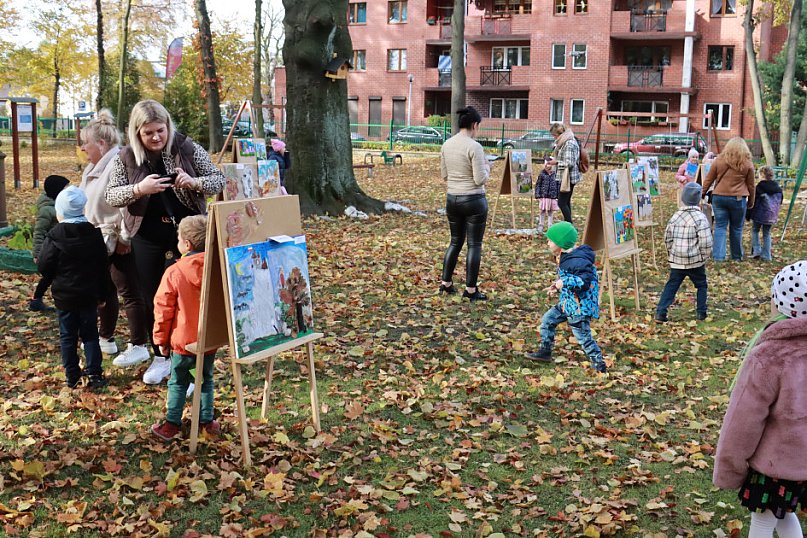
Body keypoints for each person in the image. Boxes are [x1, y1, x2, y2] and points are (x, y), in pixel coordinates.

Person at [105, 99, 225, 385]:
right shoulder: (125, 157)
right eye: (149, 133)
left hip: (186, 233)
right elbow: (111, 196)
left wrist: (193, 182)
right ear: (137, 133)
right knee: (152, 297)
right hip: (146, 234)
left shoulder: (185, 147)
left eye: (160, 130)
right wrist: (138, 189)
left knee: (188, 295)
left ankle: (192, 361)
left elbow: (218, 180)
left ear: (168, 127)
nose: (156, 137)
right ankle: (161, 356)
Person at [713, 261, 807, 538]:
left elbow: (742, 422)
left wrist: (730, 468)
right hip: (802, 464)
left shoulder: (769, 358)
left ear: (780, 304)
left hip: (774, 466)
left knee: (763, 521)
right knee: (783, 514)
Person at [79, 109, 151, 366]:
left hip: (118, 238)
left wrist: (124, 238)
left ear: (100, 143)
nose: (82, 147)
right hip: (98, 240)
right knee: (104, 289)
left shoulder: (119, 161)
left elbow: (129, 203)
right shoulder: (91, 167)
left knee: (129, 290)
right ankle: (106, 337)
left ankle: (139, 343)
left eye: (85, 142)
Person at [151, 215, 219, 441]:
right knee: (205, 379)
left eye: (179, 238)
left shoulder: (175, 272)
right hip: (210, 338)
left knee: (178, 381)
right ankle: (206, 421)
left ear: (187, 244)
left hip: (183, 342)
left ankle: (172, 423)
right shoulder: (217, 269)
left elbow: (163, 309)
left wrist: (160, 340)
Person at [37, 186, 110, 390]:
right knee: (90, 334)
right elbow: (103, 267)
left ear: (60, 211)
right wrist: (102, 294)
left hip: (65, 295)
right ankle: (94, 373)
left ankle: (72, 375)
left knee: (67, 335)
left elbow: (44, 265)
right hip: (88, 294)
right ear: (83, 209)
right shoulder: (94, 235)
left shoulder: (54, 236)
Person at [524, 222, 606, 373]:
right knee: (548, 320)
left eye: (550, 240)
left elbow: (584, 282)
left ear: (560, 243)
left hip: (579, 307)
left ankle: (599, 364)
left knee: (583, 337)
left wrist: (563, 282)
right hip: (567, 303)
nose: (547, 242)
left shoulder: (578, 261)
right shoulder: (566, 257)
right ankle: (545, 351)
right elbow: (567, 279)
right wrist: (556, 286)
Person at [439, 106, 490, 301]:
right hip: (474, 200)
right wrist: (487, 168)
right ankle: (470, 289)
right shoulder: (474, 146)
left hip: (452, 198)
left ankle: (446, 283)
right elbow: (480, 179)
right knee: (474, 244)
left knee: (455, 241)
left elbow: (444, 175)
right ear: (474, 125)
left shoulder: (447, 144)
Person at [654, 182, 712, 323]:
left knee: (672, 285)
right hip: (695, 260)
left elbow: (667, 237)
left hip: (677, 260)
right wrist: (704, 256)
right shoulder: (700, 218)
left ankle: (661, 312)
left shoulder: (676, 216)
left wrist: (671, 253)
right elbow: (706, 241)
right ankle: (701, 312)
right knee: (701, 285)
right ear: (699, 199)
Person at [702, 137, 755, 261]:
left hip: (719, 197)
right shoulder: (747, 163)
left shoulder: (718, 160)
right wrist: (751, 201)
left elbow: (709, 179)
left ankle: (718, 257)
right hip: (738, 199)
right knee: (736, 228)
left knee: (720, 226)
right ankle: (736, 256)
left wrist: (702, 193)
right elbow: (751, 185)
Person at [30, 174, 69, 312]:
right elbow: (39, 232)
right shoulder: (47, 210)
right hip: (51, 250)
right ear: (57, 191)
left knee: (50, 277)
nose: (68, 190)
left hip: (60, 248)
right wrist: (37, 253)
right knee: (52, 276)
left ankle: (36, 300)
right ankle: (39, 300)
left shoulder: (61, 205)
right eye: (65, 188)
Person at [546, 123, 581, 224]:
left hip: (569, 178)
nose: (554, 138)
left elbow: (569, 162)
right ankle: (568, 224)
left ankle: (569, 224)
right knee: (566, 201)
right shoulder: (565, 141)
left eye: (554, 135)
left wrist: (555, 162)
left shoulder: (568, 143)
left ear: (559, 134)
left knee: (561, 202)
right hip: (567, 177)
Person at [747, 166, 783, 262]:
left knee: (755, 230)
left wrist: (748, 214)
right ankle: (767, 255)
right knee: (767, 233)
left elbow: (753, 202)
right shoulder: (778, 188)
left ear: (762, 175)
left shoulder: (759, 187)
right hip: (771, 215)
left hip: (759, 214)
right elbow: (780, 201)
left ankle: (757, 251)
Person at [534, 157, 559, 233]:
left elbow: (558, 185)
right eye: (547, 164)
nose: (548, 166)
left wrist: (558, 196)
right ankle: (541, 225)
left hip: (552, 197)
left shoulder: (556, 174)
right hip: (544, 197)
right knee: (542, 211)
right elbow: (538, 184)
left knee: (550, 212)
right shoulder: (542, 174)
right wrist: (538, 195)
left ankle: (550, 227)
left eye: (549, 164)